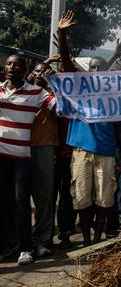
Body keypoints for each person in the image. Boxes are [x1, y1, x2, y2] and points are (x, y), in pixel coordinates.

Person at [57, 11, 121, 246]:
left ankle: (98, 240)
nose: (98, 72)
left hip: (107, 153)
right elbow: (67, 63)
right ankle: (87, 241)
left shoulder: (113, 97)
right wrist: (61, 33)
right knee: (81, 200)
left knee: (104, 201)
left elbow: (120, 129)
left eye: (102, 69)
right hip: (81, 152)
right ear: (89, 72)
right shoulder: (79, 90)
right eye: (94, 68)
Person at [0, 55, 55, 265]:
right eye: (9, 64)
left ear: (26, 69)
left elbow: (60, 106)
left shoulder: (37, 93)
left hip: (21, 158)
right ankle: (6, 246)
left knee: (21, 204)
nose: (12, 67)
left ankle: (25, 248)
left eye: (17, 65)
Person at [27, 62, 58, 257]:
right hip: (18, 146)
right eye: (38, 71)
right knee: (18, 198)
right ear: (31, 73)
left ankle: (41, 240)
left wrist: (52, 83)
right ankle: (17, 240)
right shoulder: (21, 91)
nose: (41, 74)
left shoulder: (52, 94)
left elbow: (62, 107)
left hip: (45, 146)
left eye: (45, 72)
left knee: (44, 197)